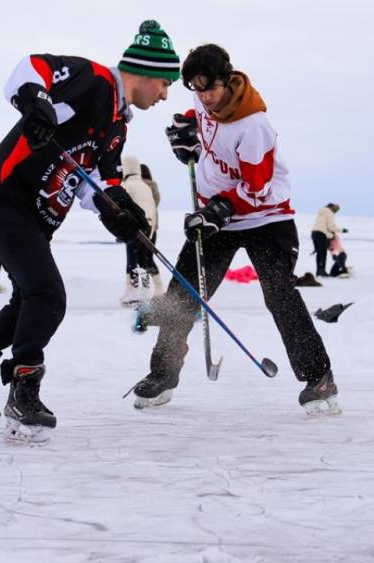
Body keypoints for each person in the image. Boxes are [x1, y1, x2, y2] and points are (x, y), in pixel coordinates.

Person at [0, 21, 176, 442]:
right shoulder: (92, 80)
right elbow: (31, 69)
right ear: (146, 72)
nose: (165, 95)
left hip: (36, 217)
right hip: (3, 197)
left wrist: (121, 212)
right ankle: (24, 394)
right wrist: (36, 104)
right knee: (48, 295)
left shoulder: (118, 125)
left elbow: (99, 184)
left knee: (28, 299)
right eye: (165, 83)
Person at [131, 43, 341, 416]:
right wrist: (184, 133)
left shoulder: (252, 125)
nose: (205, 98)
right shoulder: (202, 100)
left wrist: (221, 209)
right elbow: (198, 123)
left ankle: (318, 376)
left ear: (227, 80)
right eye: (197, 90)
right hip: (217, 215)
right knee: (184, 293)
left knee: (279, 295)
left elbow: (257, 187)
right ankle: (162, 375)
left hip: (265, 216)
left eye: (210, 88)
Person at [119, 155, 162, 306]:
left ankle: (132, 292)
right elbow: (152, 206)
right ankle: (145, 290)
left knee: (132, 259)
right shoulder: (145, 185)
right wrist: (150, 229)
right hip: (149, 226)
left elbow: (122, 208)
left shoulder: (127, 185)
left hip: (135, 227)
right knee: (144, 260)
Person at [139, 164, 165, 296]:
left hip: (142, 227)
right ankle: (155, 287)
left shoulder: (140, 185)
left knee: (142, 259)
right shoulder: (152, 185)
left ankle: (149, 286)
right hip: (153, 226)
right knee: (147, 257)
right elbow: (156, 202)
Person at [311, 203, 347, 277]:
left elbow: (325, 227)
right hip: (321, 234)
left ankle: (319, 271)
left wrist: (330, 235)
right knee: (323, 253)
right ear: (332, 208)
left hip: (314, 233)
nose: (335, 211)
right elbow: (331, 227)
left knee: (319, 253)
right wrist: (342, 230)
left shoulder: (321, 213)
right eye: (336, 209)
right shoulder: (329, 213)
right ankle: (321, 272)